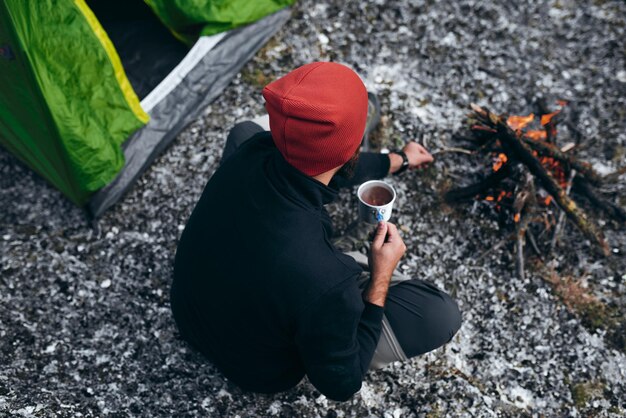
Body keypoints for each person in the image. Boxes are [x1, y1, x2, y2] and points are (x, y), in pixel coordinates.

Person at [170, 62, 461, 401]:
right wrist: (380, 277)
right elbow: (341, 384)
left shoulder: (252, 151)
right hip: (255, 368)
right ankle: (351, 127)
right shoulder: (327, 279)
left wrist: (396, 160)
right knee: (439, 314)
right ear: (347, 152)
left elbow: (328, 162)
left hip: (189, 312)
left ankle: (347, 125)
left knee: (244, 130)